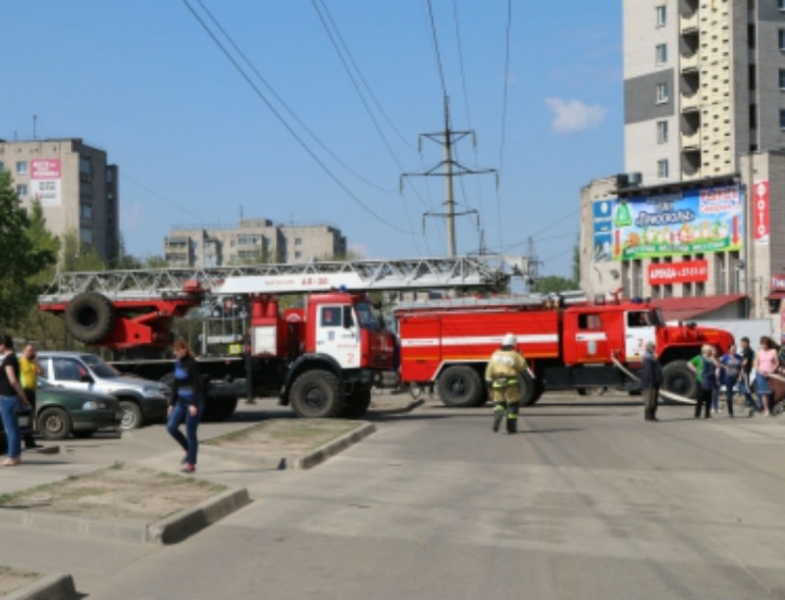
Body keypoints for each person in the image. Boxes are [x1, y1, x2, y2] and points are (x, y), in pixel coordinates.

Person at [166, 339, 204, 472]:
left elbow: (197, 385)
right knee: (171, 427)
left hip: (193, 403)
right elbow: (176, 384)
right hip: (180, 402)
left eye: (178, 350)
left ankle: (191, 464)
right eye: (174, 350)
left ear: (184, 350)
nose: (175, 353)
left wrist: (194, 404)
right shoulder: (177, 363)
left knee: (190, 433)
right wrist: (171, 403)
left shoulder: (192, 364)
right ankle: (189, 450)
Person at [485, 333, 528, 434]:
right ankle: (511, 428)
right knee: (513, 404)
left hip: (497, 382)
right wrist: (520, 356)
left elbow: (489, 369)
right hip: (510, 383)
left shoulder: (495, 354)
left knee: (499, 403)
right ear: (513, 344)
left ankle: (498, 414)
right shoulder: (514, 355)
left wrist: (488, 380)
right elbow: (523, 367)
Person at [0, 334, 30, 466]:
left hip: (7, 397)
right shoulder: (13, 358)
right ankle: (16, 456)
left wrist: (22, 396)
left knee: (10, 429)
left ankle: (12, 456)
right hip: (11, 397)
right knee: (14, 428)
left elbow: (12, 380)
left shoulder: (8, 360)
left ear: (3, 345)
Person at [18, 343, 44, 449]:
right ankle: (18, 440)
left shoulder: (33, 362)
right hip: (22, 392)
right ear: (24, 351)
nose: (31, 352)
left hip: (31, 392)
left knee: (30, 416)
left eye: (33, 351)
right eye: (29, 350)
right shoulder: (20, 362)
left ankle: (29, 441)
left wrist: (37, 361)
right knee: (21, 417)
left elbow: (41, 373)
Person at [688, 344, 719, 419]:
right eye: (709, 351)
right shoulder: (699, 358)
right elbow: (689, 363)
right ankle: (697, 414)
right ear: (705, 351)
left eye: (710, 351)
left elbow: (717, 365)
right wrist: (695, 370)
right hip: (701, 380)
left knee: (709, 397)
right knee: (700, 397)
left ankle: (707, 414)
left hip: (710, 379)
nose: (710, 352)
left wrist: (713, 358)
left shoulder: (711, 359)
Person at [753, 336, 779, 417]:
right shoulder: (759, 352)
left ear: (768, 344)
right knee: (764, 392)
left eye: (765, 344)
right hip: (761, 374)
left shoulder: (773, 351)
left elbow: (777, 363)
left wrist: (772, 371)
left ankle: (770, 407)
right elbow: (756, 363)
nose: (763, 346)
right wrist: (760, 371)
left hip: (771, 374)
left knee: (771, 392)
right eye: (762, 344)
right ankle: (766, 409)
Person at [639, 341, 663, 421]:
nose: (654, 348)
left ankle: (652, 416)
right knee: (650, 400)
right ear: (648, 348)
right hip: (650, 383)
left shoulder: (651, 357)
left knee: (653, 399)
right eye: (652, 347)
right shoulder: (648, 358)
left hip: (654, 382)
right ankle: (649, 416)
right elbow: (648, 371)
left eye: (653, 347)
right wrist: (650, 382)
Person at [717, 343, 742, 418]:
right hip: (728, 377)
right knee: (729, 395)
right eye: (732, 349)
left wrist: (740, 375)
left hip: (736, 377)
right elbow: (717, 363)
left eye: (735, 349)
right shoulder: (725, 357)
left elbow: (741, 367)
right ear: (729, 350)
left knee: (744, 391)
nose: (734, 350)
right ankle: (731, 412)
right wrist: (724, 366)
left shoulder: (739, 357)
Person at [737, 337, 758, 412]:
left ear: (745, 343)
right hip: (747, 370)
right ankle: (748, 400)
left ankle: (750, 401)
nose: (741, 344)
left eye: (742, 343)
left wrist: (741, 369)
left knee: (745, 386)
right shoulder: (749, 350)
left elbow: (745, 361)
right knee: (744, 385)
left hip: (745, 370)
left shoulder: (747, 350)